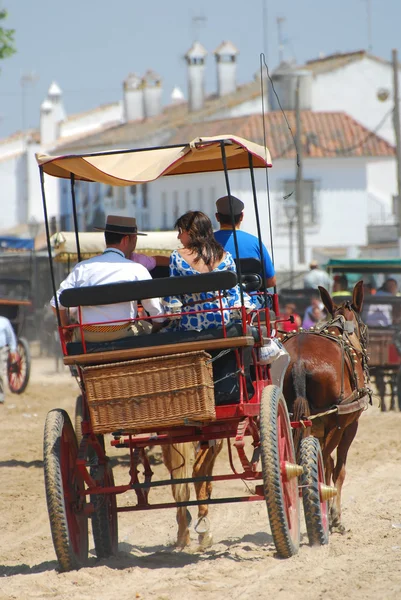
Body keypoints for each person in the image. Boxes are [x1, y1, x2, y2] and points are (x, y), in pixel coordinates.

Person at [50, 215, 165, 342]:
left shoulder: (82, 268)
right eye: (135, 239)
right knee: (150, 330)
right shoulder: (137, 269)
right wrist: (156, 328)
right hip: (124, 334)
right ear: (127, 239)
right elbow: (156, 312)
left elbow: (56, 303)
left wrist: (66, 326)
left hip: (88, 337)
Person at [163, 210, 255, 331]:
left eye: (180, 231)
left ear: (190, 232)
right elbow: (234, 293)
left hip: (191, 322)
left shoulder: (177, 257)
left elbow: (173, 296)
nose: (179, 236)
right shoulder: (225, 257)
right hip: (223, 320)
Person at [213, 195, 276, 296]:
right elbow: (271, 281)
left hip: (216, 302)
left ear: (217, 217)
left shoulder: (205, 242)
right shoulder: (255, 242)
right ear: (241, 216)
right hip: (251, 302)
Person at [0, 316, 17, 404]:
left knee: (0, 373)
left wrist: (13, 350)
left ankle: (1, 396)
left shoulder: (4, 321)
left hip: (1, 350)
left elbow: (11, 336)